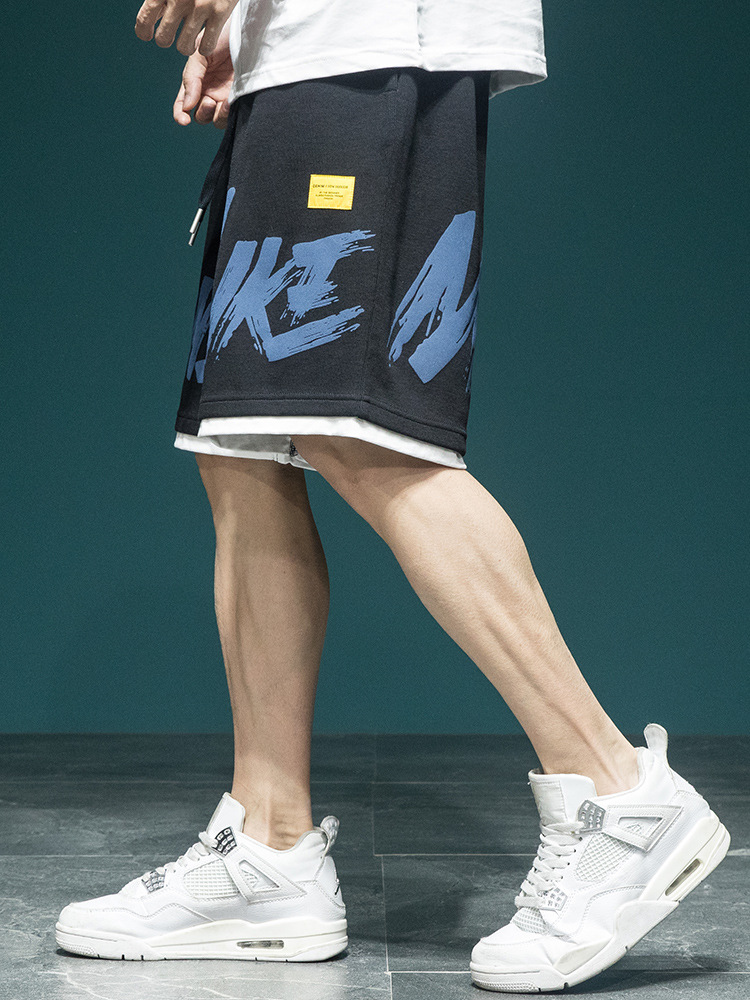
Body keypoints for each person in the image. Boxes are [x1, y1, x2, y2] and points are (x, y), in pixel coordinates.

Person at [55, 0, 730, 992]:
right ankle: (270, 850)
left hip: (371, 43)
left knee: (357, 431)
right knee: (241, 442)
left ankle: (619, 792)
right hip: (308, 48)